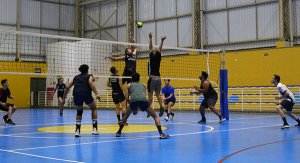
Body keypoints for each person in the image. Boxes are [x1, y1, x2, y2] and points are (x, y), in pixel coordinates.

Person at [116, 73, 170, 139]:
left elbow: (126, 98)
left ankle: (119, 132)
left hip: (134, 101)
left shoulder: (128, 85)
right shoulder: (143, 85)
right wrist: (144, 106)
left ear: (132, 79)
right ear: (139, 78)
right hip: (143, 101)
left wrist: (131, 104)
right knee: (155, 116)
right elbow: (143, 96)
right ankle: (161, 134)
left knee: (125, 116)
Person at [62, 64, 101, 137]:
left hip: (76, 94)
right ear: (87, 70)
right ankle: (95, 129)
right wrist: (97, 94)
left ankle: (77, 131)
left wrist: (63, 99)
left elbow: (67, 86)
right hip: (86, 93)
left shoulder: (76, 77)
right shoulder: (89, 76)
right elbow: (90, 82)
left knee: (79, 112)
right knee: (94, 108)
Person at [147, 32, 165, 118]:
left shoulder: (151, 56)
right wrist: (162, 41)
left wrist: (150, 38)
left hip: (152, 78)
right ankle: (161, 107)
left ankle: (148, 110)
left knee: (150, 96)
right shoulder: (159, 57)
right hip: (158, 78)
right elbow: (160, 48)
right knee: (158, 95)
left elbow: (150, 47)